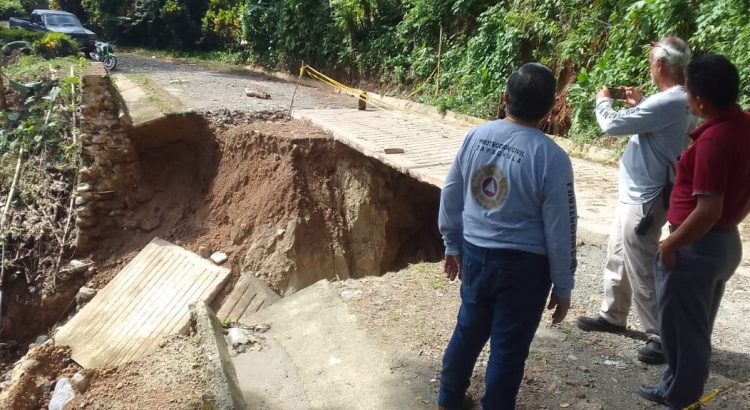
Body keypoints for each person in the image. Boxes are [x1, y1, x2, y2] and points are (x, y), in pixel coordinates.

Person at [437, 63, 577, 410]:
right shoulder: (552, 158)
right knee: (508, 349)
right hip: (525, 269)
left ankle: (449, 399)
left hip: (476, 254)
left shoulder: (475, 136)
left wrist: (452, 243)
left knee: (468, 332)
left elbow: (451, 192)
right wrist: (563, 284)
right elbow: (561, 227)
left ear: (505, 98)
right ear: (551, 107)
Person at [637, 54, 750, 409]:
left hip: (698, 246)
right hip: (723, 242)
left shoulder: (714, 142)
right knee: (691, 327)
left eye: (689, 95)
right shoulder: (744, 125)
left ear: (701, 102)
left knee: (685, 334)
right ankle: (673, 386)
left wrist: (671, 243)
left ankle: (682, 399)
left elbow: (708, 209)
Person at [576, 37, 695, 365]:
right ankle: (613, 314)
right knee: (618, 252)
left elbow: (611, 125)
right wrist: (640, 104)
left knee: (641, 262)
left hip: (646, 196)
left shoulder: (669, 102)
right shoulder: (677, 99)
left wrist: (603, 102)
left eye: (650, 61)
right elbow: (655, 124)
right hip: (641, 193)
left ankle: (660, 334)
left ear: (660, 65)